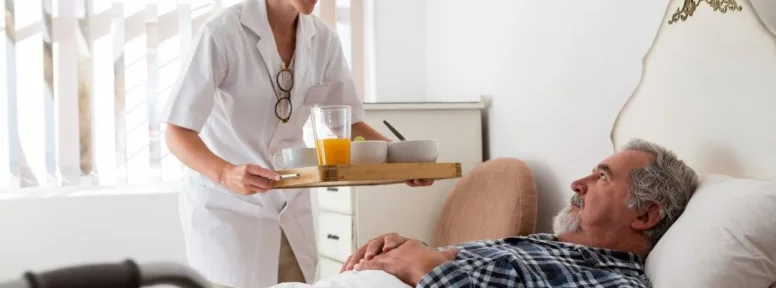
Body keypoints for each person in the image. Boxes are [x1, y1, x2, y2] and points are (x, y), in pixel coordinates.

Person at [160, 0, 432, 287]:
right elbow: (177, 130)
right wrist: (226, 173)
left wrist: (402, 161)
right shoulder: (223, 33)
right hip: (229, 212)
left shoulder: (324, 40)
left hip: (290, 209)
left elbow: (349, 124)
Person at [270, 138, 699, 288]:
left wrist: (425, 268)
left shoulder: (614, 283)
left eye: (601, 177)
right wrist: (403, 251)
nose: (577, 184)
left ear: (644, 216)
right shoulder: (545, 245)